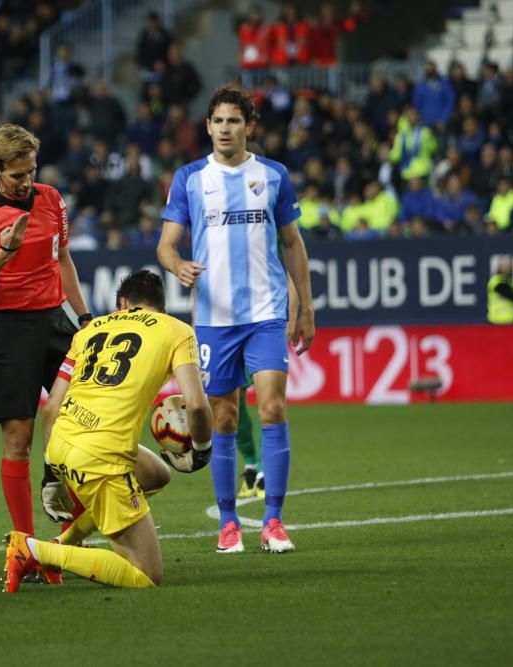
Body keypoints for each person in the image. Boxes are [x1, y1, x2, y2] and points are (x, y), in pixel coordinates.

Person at [157, 85, 315, 554]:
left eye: (234, 121)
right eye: (218, 121)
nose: (226, 129)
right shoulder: (189, 178)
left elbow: (293, 243)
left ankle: (273, 521)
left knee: (272, 407)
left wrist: (305, 306)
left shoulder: (272, 175)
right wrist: (177, 265)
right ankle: (228, 522)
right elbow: (166, 245)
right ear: (207, 126)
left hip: (266, 313)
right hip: (213, 319)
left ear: (249, 126)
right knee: (223, 417)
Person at [1, 270, 212, 592]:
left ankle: (62, 542)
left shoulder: (89, 331)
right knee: (146, 574)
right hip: (101, 456)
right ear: (162, 307)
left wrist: (52, 474)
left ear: (122, 303)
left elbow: (52, 406)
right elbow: (196, 405)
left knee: (157, 475)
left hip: (63, 441)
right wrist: (202, 448)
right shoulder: (176, 330)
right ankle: (33, 550)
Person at [0, 124, 90, 582]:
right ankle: (26, 549)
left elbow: (63, 258)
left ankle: (70, 541)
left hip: (56, 323)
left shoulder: (52, 199)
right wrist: (3, 255)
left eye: (31, 171)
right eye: (16, 176)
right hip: (9, 329)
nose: (26, 182)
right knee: (19, 441)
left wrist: (85, 320)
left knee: (84, 428)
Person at [487, 256, 513, 324]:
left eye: (509, 265)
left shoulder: (510, 281)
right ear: (499, 267)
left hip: (510, 321)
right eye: (504, 265)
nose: (507, 267)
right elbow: (508, 294)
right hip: (497, 321)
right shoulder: (496, 281)